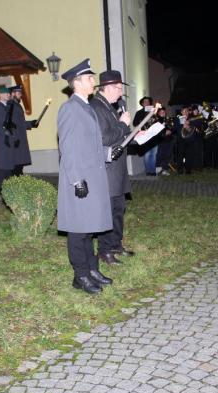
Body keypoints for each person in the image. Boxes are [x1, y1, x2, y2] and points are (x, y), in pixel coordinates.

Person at [56, 58, 114, 294]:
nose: (94, 82)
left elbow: (89, 144)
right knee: (79, 231)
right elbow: (68, 148)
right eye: (90, 78)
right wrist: (77, 180)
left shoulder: (86, 107)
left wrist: (109, 151)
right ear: (77, 83)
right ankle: (80, 275)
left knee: (90, 228)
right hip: (80, 179)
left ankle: (92, 269)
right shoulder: (70, 109)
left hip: (93, 176)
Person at [90, 70, 135, 266]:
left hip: (117, 168)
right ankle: (105, 251)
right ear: (107, 88)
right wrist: (124, 125)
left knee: (119, 209)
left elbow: (116, 135)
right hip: (107, 169)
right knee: (108, 212)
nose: (120, 93)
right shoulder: (97, 107)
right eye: (118, 88)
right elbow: (104, 138)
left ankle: (115, 245)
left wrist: (132, 134)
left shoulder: (108, 106)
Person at [0, 86, 37, 193]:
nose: (8, 95)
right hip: (3, 141)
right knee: (3, 167)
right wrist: (2, 130)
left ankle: (11, 190)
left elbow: (18, 123)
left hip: (12, 141)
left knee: (10, 167)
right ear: (0, 95)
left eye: (8, 94)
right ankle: (2, 189)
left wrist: (30, 124)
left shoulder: (10, 106)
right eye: (5, 94)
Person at [175, 106, 203, 174]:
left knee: (189, 155)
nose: (185, 113)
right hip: (181, 140)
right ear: (181, 112)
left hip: (190, 140)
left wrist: (188, 126)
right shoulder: (178, 119)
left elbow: (198, 124)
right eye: (184, 111)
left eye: (187, 111)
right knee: (180, 155)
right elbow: (176, 129)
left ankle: (188, 170)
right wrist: (183, 126)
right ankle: (180, 170)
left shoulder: (192, 119)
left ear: (188, 112)